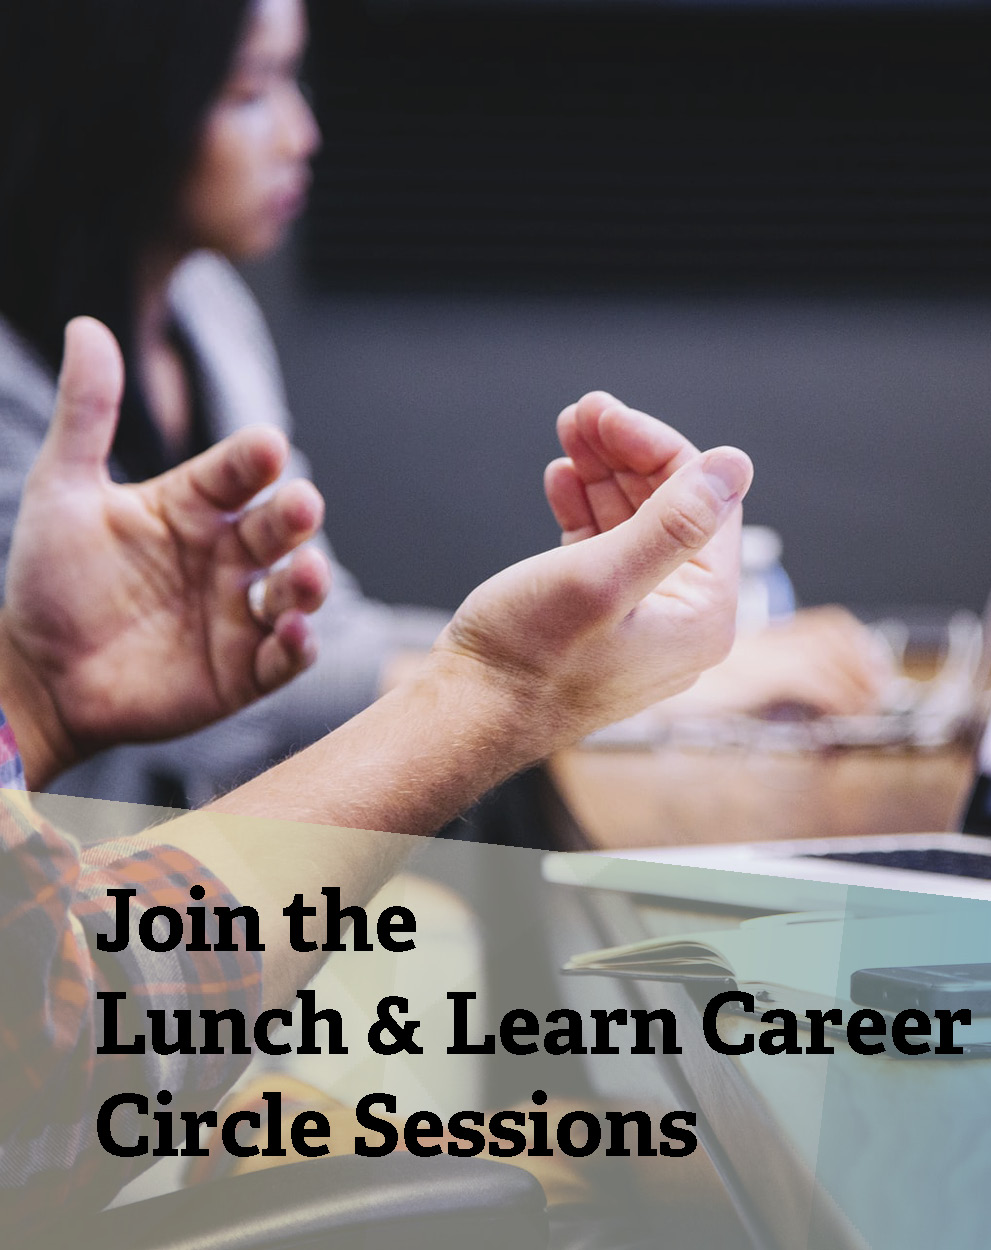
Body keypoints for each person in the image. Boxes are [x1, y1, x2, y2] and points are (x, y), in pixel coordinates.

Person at [0, 0, 884, 814]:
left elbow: (311, 639)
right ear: (122, 100)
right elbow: (251, 704)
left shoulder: (208, 312)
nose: (302, 134)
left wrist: (564, 664)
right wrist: (568, 681)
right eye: (249, 89)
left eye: (293, 80)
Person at [0, 315, 753, 1232]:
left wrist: (33, 698)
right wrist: (498, 691)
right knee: (661, 1173)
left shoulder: (211, 309)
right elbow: (55, 1042)